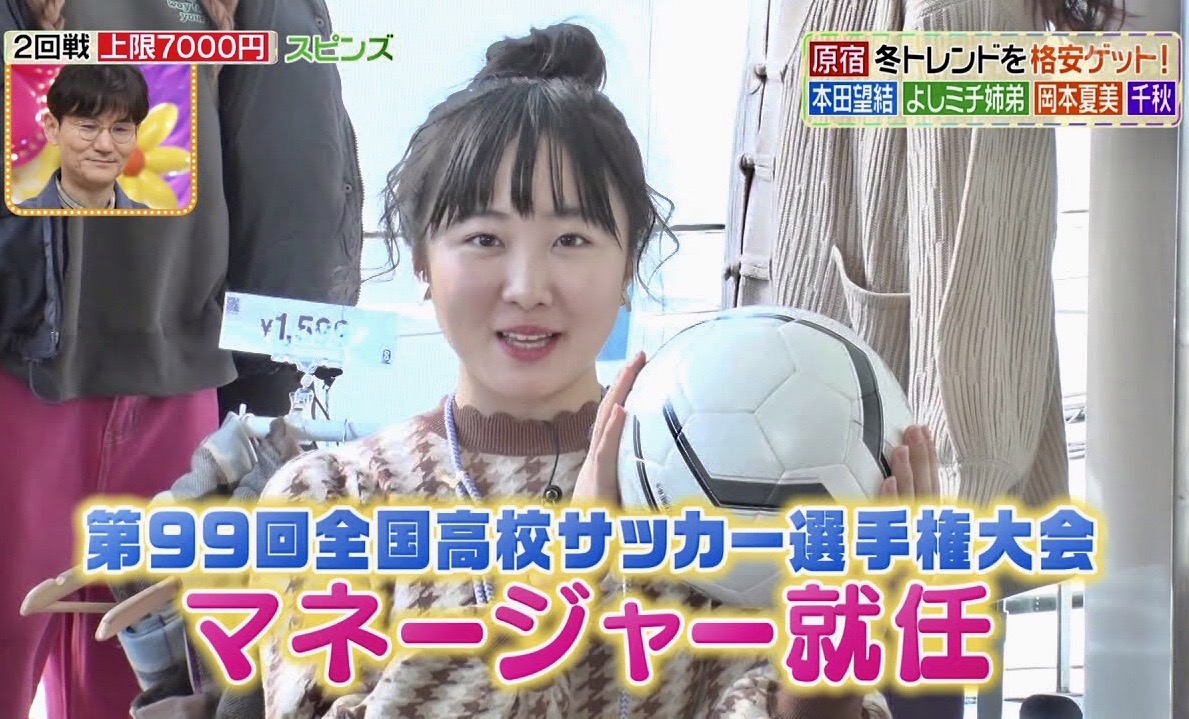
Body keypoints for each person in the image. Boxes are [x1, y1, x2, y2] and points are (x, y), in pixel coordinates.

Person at [255, 23, 938, 719]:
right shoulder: (333, 499)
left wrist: (833, 663)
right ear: (423, 262)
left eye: (571, 238)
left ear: (628, 266)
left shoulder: (709, 470)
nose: (527, 287)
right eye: (484, 238)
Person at [723, 0, 1124, 716]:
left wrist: (938, 552)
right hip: (785, 509)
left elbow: (975, 286)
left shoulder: (954, 10)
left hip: (889, 539)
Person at [0, 0, 364, 718]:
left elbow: (290, 144)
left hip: (183, 370)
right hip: (25, 367)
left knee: (159, 680)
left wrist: (275, 363)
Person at [18, 64, 152, 210]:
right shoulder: (15, 221)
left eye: (120, 129)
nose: (105, 146)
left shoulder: (154, 221)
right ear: (52, 128)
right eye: (88, 127)